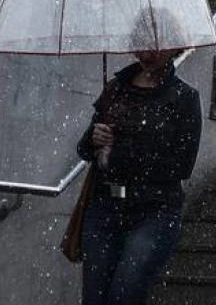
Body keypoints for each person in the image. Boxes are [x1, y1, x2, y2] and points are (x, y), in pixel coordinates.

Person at [76, 46, 202, 305]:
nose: (146, 56)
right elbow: (84, 149)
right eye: (142, 48)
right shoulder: (115, 89)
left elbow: (182, 165)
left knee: (125, 293)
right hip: (105, 208)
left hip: (154, 211)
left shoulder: (183, 97)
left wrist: (123, 149)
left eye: (154, 49)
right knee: (94, 297)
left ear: (171, 49)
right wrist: (94, 138)